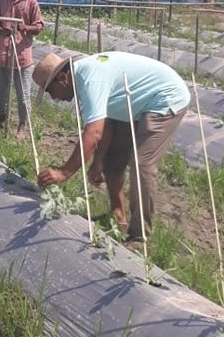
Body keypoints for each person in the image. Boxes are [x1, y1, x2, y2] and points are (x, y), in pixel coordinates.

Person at [32, 51, 190, 242]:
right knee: (113, 159)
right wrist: (98, 161)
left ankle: (139, 235)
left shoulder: (90, 80)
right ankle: (118, 216)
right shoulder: (83, 80)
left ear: (62, 78)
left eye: (50, 91)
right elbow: (104, 125)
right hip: (132, 101)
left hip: (165, 98)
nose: (54, 98)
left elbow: (94, 132)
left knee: (142, 164)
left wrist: (64, 172)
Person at [0, 0, 44, 140]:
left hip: (22, 56)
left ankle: (22, 125)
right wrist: (2, 30)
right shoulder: (0, 0)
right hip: (3, 55)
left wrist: (25, 27)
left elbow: (39, 25)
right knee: (2, 93)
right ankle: (2, 121)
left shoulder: (31, 2)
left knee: (23, 95)